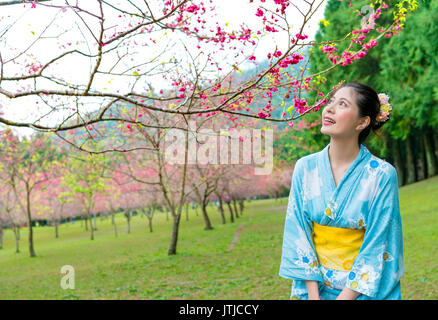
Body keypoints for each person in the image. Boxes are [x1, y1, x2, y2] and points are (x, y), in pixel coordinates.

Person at [279, 82, 404, 300]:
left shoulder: (382, 174)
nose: (329, 108)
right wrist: (313, 296)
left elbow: (377, 243)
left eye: (343, 104)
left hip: (363, 290)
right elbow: (298, 232)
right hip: (315, 289)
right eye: (330, 102)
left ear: (363, 122)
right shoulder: (305, 168)